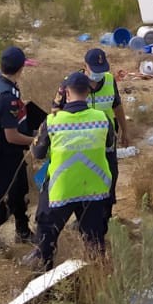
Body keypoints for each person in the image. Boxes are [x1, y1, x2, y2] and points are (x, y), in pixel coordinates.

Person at [29, 71, 114, 269]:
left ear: (66, 92)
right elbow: (109, 143)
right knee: (94, 243)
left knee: (46, 241)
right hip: (94, 189)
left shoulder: (52, 122)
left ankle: (43, 281)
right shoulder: (102, 119)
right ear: (88, 93)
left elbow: (37, 153)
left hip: (61, 190)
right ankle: (97, 281)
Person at [0, 46, 35, 244]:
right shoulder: (7, 97)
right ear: (21, 69)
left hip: (8, 154)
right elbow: (12, 136)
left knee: (20, 192)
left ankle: (22, 231)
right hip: (3, 156)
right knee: (3, 202)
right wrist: (37, 141)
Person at [84, 48, 128, 206]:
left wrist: (124, 130)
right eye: (95, 70)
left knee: (111, 173)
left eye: (102, 70)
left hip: (107, 139)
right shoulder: (73, 82)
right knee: (87, 176)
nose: (99, 74)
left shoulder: (109, 80)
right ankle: (85, 213)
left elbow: (117, 106)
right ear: (86, 66)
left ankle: (107, 210)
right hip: (84, 141)